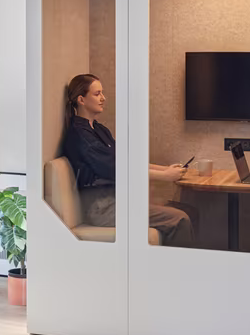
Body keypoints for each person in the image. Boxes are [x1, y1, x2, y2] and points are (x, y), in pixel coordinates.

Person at [62, 73, 195, 247]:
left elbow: (126, 161)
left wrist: (165, 169)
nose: (103, 98)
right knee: (180, 219)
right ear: (81, 100)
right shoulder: (80, 136)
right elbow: (118, 169)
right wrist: (165, 177)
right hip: (103, 207)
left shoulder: (99, 130)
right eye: (97, 94)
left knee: (188, 210)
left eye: (102, 93)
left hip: (118, 199)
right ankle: (175, 272)